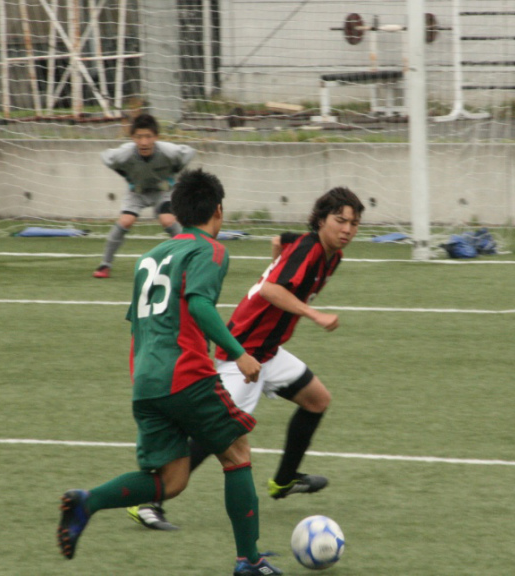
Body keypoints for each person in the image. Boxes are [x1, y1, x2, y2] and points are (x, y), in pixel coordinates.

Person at [58, 169, 284, 576]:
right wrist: (239, 354)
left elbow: (137, 325)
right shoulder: (211, 250)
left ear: (177, 212)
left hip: (146, 380)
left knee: (172, 480)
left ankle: (86, 502)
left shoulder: (149, 258)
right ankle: (249, 561)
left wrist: (142, 382)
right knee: (236, 453)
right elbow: (199, 305)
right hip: (186, 374)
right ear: (218, 210)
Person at [127, 186, 364, 532]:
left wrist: (275, 259)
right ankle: (148, 501)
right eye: (339, 220)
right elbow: (270, 290)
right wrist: (313, 314)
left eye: (354, 223)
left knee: (317, 400)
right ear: (321, 220)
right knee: (215, 432)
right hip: (246, 351)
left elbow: (282, 239)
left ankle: (284, 480)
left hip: (268, 351)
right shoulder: (311, 250)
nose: (347, 229)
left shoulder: (329, 254)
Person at [93, 113, 195, 278]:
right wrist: (126, 175)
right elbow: (106, 157)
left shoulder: (167, 150)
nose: (144, 142)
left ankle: (190, 261)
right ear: (133, 137)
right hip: (137, 192)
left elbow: (189, 152)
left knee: (167, 220)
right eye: (139, 137)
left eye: (148, 136)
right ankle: (105, 264)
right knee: (126, 221)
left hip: (164, 191)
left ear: (156, 136)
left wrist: (174, 172)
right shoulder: (125, 153)